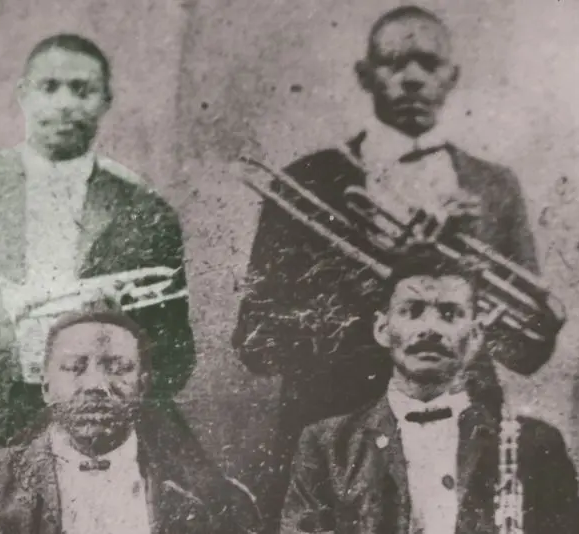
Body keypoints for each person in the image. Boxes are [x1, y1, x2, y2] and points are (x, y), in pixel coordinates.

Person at [232, 6, 546, 529]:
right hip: (335, 445)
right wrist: (381, 275)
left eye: (429, 63)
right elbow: (257, 343)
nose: (413, 78)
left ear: (452, 77)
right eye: (394, 63)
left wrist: (465, 273)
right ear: (365, 75)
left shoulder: (495, 188)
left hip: (466, 442)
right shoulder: (305, 182)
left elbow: (528, 351)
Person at [0, 33, 196, 522]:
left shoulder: (147, 212)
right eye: (49, 87)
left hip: (96, 446)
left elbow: (176, 360)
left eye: (83, 90)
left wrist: (118, 331)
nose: (65, 104)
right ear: (23, 94)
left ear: (106, 101)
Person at [281, 245, 579, 534]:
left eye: (449, 314)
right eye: (412, 311)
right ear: (382, 329)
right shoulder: (328, 445)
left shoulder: (534, 445)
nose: (430, 328)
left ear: (475, 334)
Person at [0, 304, 260, 534]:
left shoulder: (201, 490)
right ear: (45, 386)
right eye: (74, 367)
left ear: (143, 385)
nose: (96, 385)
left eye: (118, 368)